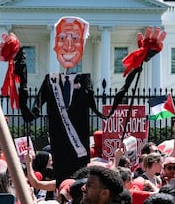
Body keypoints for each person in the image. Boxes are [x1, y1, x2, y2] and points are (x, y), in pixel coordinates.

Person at [12, 16, 166, 186]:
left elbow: (105, 113)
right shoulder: (50, 82)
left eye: (75, 38)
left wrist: (137, 67)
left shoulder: (84, 82)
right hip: (61, 160)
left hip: (79, 160)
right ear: (55, 44)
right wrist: (21, 71)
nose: (69, 45)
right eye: (62, 38)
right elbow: (29, 114)